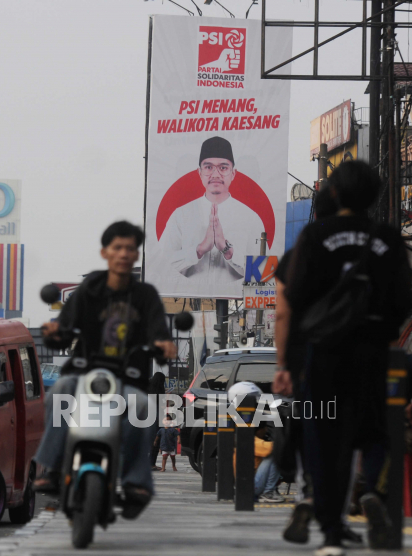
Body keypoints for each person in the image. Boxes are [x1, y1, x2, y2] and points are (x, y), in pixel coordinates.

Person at [273, 160, 412, 556]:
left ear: (332, 193)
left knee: (325, 439)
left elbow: (294, 299)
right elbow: (403, 300)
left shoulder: (316, 235)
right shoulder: (387, 237)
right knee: (376, 432)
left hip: (325, 356)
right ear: (376, 195)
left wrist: (286, 364)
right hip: (375, 353)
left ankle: (332, 530)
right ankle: (372, 492)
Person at [32, 220, 176, 520]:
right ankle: (52, 466)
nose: (124, 254)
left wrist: (164, 344)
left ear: (136, 255)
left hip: (128, 379)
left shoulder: (146, 295)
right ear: (105, 252)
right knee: (59, 391)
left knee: (143, 408)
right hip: (83, 374)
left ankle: (137, 481)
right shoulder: (89, 288)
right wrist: (55, 332)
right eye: (117, 248)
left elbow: (159, 331)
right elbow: (65, 325)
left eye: (130, 249)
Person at [161, 136, 265, 285]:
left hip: (236, 305)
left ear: (233, 173)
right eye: (209, 167)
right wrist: (198, 250)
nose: (215, 175)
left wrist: (227, 250)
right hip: (191, 301)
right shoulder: (181, 214)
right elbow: (163, 264)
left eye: (223, 168)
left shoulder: (251, 217)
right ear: (199, 172)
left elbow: (262, 273)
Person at [148, 372, 167, 470]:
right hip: (157, 418)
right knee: (156, 440)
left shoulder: (148, 388)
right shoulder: (160, 391)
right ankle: (152, 463)